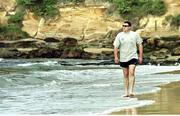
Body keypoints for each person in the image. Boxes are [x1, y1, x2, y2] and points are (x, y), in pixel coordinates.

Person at [113, 21, 143, 97]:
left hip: (133, 56)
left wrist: (140, 56)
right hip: (123, 57)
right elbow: (116, 46)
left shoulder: (135, 34)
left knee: (131, 72)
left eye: (126, 26)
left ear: (130, 27)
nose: (124, 27)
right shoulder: (119, 35)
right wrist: (116, 57)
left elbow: (140, 45)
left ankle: (131, 91)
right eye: (123, 26)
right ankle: (126, 92)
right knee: (125, 74)